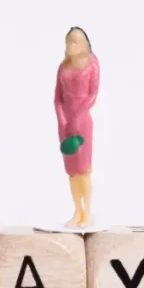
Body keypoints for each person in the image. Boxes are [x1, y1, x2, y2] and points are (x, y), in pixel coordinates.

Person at [54, 27, 100, 228]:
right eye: (69, 41)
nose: (72, 45)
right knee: (72, 170)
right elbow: (57, 98)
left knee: (83, 169)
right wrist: (62, 118)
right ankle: (77, 210)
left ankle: (88, 212)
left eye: (76, 42)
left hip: (82, 123)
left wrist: (78, 116)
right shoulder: (63, 67)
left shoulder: (92, 65)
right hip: (65, 124)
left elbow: (92, 95)